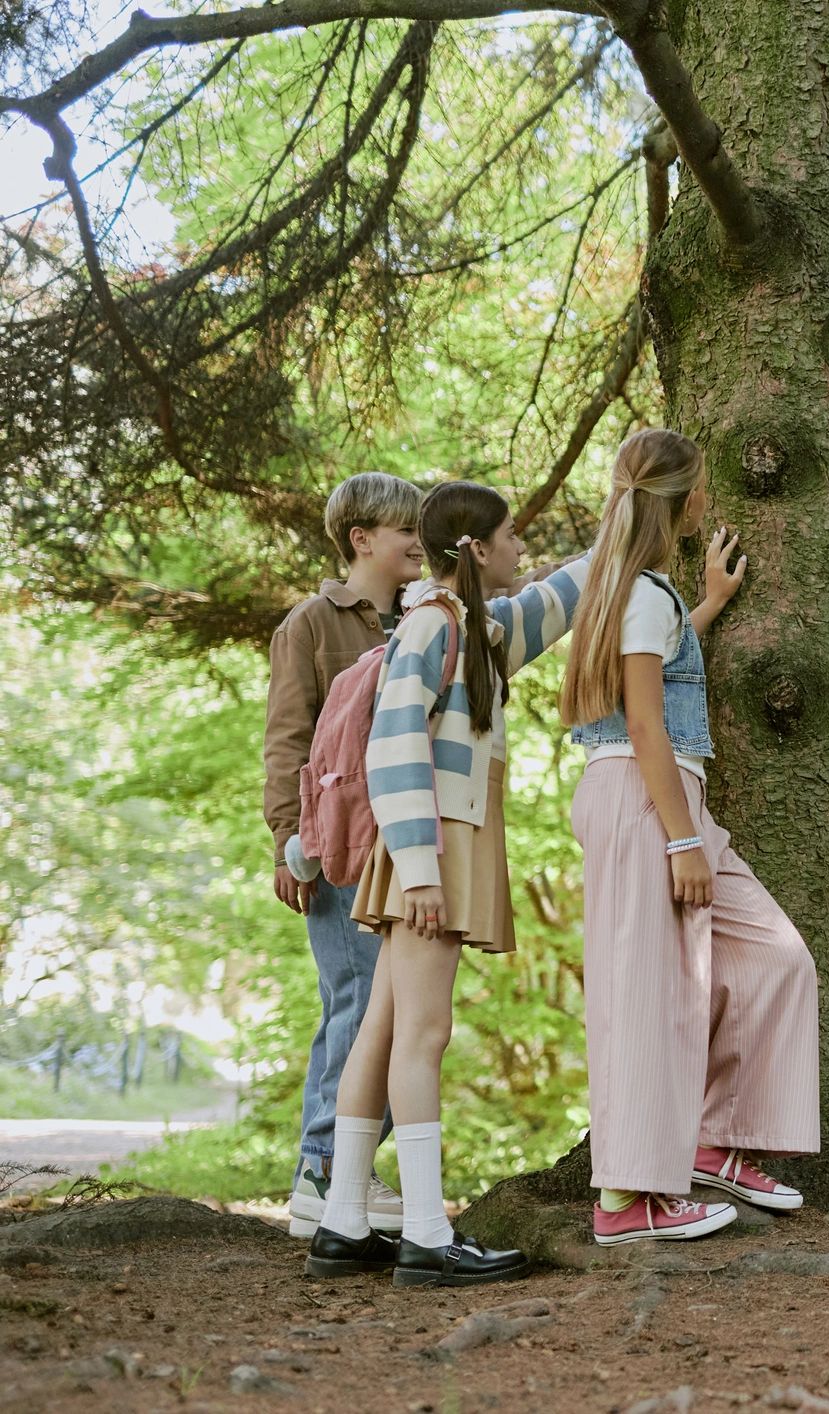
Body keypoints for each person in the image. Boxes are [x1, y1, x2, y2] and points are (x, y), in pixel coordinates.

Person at [303, 481, 591, 1287]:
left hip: (428, 846)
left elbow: (556, 597)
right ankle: (429, 1233)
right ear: (476, 548)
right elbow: (392, 748)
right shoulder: (433, 626)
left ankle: (342, 1222)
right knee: (423, 1033)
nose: (520, 550)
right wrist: (424, 872)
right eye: (510, 537)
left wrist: (635, 517)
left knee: (383, 1031)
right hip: (431, 847)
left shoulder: (476, 628)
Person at [559, 428, 818, 1247]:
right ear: (687, 499)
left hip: (667, 799)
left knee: (776, 957)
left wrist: (705, 604)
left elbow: (657, 677)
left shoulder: (643, 594)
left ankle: (710, 1141)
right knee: (648, 999)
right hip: (648, 800)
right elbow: (640, 721)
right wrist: (680, 841)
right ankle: (624, 1200)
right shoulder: (634, 591)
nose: (710, 497)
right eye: (703, 486)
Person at [263, 471, 422, 1239]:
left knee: (399, 1011)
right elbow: (288, 737)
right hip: (338, 848)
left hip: (411, 843)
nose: (420, 541)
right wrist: (286, 841)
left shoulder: (426, 621)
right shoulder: (313, 624)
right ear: (362, 539)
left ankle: (351, 1167)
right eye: (407, 529)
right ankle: (322, 1170)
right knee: (356, 1005)